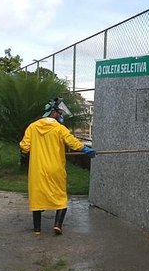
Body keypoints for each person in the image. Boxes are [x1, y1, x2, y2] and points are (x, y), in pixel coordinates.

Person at [19, 98, 96, 236]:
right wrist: (85, 149)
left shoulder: (33, 127)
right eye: (60, 113)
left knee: (37, 197)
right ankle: (57, 225)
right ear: (53, 113)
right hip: (55, 168)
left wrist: (31, 149)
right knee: (60, 197)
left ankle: (37, 230)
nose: (61, 116)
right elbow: (73, 143)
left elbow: (24, 147)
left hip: (37, 170)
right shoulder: (60, 129)